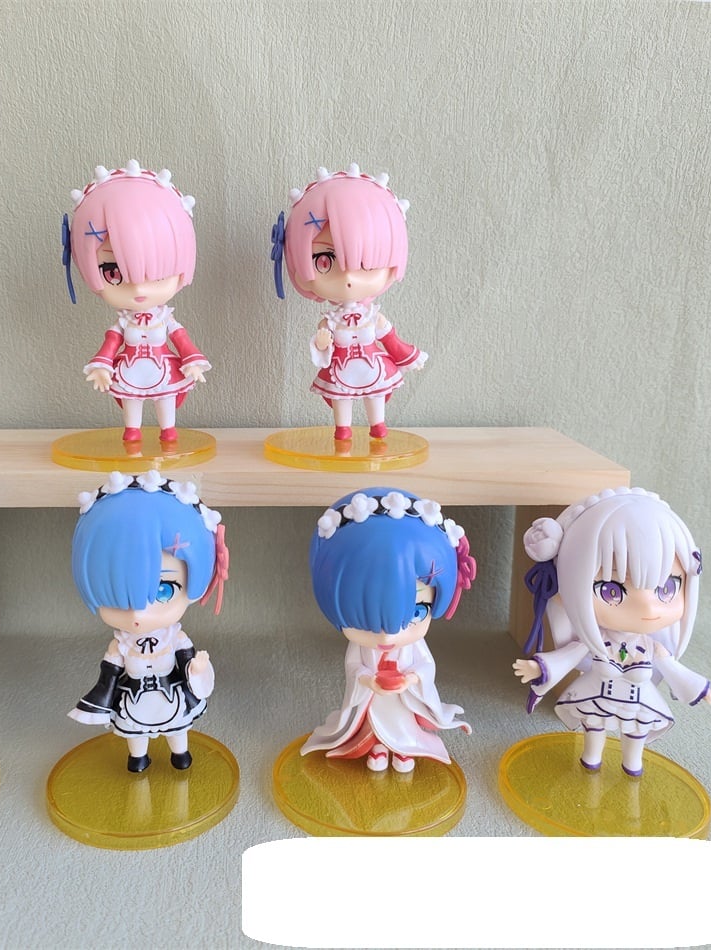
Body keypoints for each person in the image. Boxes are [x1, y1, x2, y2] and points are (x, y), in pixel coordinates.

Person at [515, 487, 711, 776]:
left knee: (635, 735)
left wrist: (701, 689)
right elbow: (567, 656)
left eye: (667, 588)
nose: (647, 608)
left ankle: (632, 765)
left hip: (639, 703)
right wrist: (540, 668)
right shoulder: (596, 642)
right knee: (594, 730)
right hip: (596, 697)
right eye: (611, 590)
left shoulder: (652, 647)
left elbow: (675, 671)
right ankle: (591, 760)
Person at [302, 488, 475, 772]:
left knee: (402, 723)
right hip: (374, 698)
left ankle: (404, 750)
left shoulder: (413, 647)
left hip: (402, 697)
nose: (388, 636)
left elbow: (426, 666)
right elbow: (353, 667)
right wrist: (367, 680)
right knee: (373, 725)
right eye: (362, 619)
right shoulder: (362, 649)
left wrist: (411, 679)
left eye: (417, 612)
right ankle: (378, 746)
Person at [69, 470, 229, 772]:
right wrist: (100, 702)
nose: (138, 615)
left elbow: (187, 662)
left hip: (170, 693)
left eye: (163, 590)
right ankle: (138, 757)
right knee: (136, 731)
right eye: (116, 595)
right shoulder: (121, 645)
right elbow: (109, 676)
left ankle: (180, 754)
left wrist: (196, 668)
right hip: (135, 699)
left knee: (177, 727)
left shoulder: (175, 638)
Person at [272, 164, 426, 440]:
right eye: (325, 261)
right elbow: (322, 347)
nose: (348, 278)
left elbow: (391, 340)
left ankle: (378, 425)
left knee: (374, 395)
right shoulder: (330, 321)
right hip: (341, 369)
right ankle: (342, 429)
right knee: (341, 398)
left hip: (372, 368)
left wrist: (409, 357)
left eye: (366, 263)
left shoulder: (373, 317)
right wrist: (322, 343)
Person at [63, 160, 210, 443]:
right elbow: (110, 344)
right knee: (131, 401)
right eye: (113, 272)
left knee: (165, 399)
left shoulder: (165, 319)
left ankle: (168, 431)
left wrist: (192, 361)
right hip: (130, 370)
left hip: (162, 370)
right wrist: (102, 365)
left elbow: (182, 340)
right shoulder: (123, 322)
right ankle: (132, 431)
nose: (139, 287)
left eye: (158, 272)